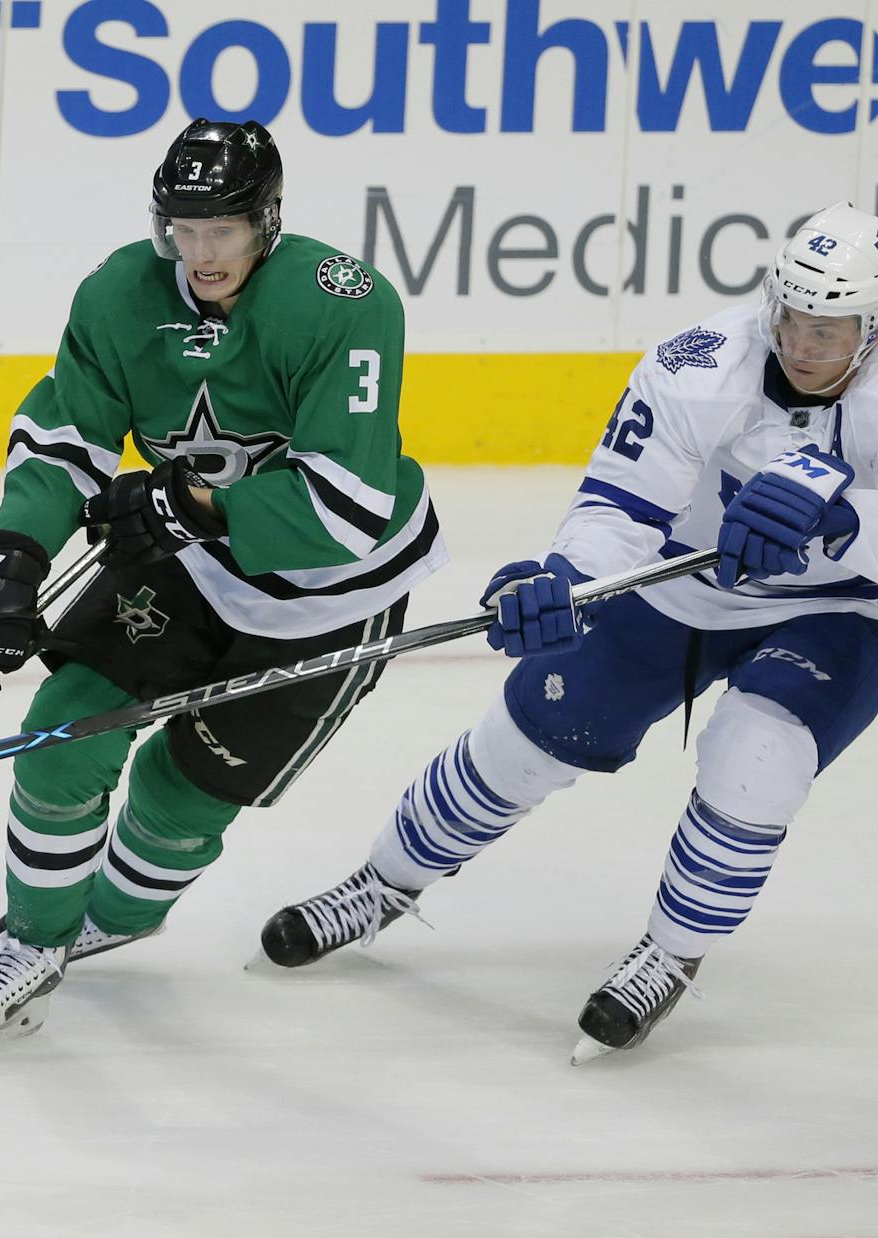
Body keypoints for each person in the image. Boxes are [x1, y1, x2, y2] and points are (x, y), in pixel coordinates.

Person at [257, 201, 878, 1063]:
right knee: (531, 736)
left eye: (832, 330)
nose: (805, 346)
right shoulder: (699, 363)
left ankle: (668, 954)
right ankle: (381, 885)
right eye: (793, 319)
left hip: (839, 610)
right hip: (681, 582)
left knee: (759, 755)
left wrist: (849, 522)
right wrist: (566, 580)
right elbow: (621, 507)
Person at [0, 118, 446, 1053]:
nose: (201, 250)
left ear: (267, 220)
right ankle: (32, 937)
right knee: (60, 740)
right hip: (194, 563)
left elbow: (349, 502)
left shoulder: (343, 301)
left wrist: (194, 508)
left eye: (223, 228)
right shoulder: (119, 294)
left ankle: (125, 914)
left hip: (334, 594)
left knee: (181, 796)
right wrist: (13, 551)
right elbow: (70, 440)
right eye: (183, 227)